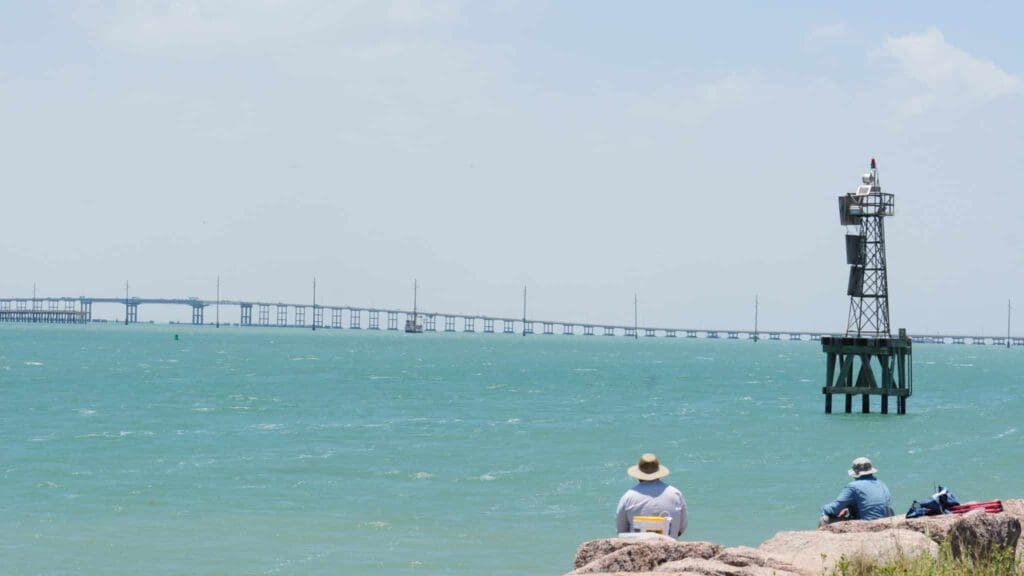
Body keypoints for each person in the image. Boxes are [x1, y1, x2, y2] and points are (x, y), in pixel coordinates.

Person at [616, 453, 687, 537]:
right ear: (659, 473)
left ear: (638, 475)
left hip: (638, 544)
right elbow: (682, 528)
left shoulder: (628, 497)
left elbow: (621, 531)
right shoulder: (676, 494)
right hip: (670, 544)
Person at [820, 457, 894, 525]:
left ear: (855, 473)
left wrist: (823, 508)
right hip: (885, 522)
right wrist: (848, 509)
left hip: (868, 525)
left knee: (824, 519)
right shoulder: (881, 484)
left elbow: (834, 509)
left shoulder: (853, 487)